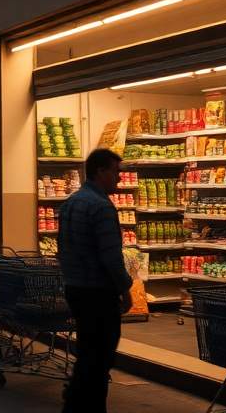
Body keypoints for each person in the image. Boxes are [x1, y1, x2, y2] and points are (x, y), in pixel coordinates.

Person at [56, 149, 135, 413]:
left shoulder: (71, 202)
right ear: (101, 172)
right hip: (98, 293)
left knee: (88, 356)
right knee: (100, 359)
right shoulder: (101, 206)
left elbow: (62, 248)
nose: (120, 179)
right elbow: (110, 256)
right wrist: (125, 288)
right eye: (116, 172)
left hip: (75, 288)